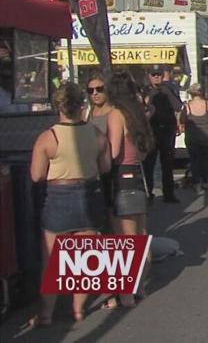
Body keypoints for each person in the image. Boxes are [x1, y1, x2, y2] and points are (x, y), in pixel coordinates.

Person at [28, 83, 111, 327]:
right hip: (89, 192)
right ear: (81, 105)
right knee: (84, 258)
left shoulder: (48, 137)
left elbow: (36, 175)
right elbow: (105, 167)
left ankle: (46, 314)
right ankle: (77, 309)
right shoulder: (96, 133)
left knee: (51, 260)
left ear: (58, 106)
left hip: (58, 197)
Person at [104, 72, 155, 308]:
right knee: (141, 236)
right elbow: (145, 151)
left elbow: (113, 152)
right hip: (137, 175)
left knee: (124, 241)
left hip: (120, 177)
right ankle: (141, 286)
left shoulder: (116, 114)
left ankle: (125, 293)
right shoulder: (138, 115)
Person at [143, 64, 180, 203]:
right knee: (149, 164)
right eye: (154, 75)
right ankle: (149, 194)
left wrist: (167, 91)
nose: (156, 77)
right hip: (152, 130)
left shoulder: (169, 89)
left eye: (158, 74)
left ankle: (169, 194)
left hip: (167, 130)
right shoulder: (145, 91)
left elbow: (178, 106)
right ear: (149, 76)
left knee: (167, 163)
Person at [85, 73, 115, 214]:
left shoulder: (115, 112)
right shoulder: (87, 113)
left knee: (111, 210)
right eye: (91, 90)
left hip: (111, 166)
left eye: (99, 89)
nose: (95, 93)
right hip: (91, 167)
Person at [181, 83, 208, 193]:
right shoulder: (207, 104)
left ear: (191, 94)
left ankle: (197, 183)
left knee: (195, 160)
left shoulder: (187, 106)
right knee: (205, 160)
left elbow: (182, 120)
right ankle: (205, 181)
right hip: (206, 137)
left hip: (192, 137)